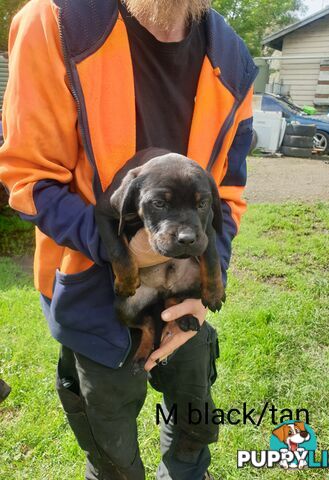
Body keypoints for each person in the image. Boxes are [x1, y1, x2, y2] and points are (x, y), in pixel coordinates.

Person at [0, 0, 257, 478]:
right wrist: (123, 251)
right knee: (112, 448)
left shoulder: (233, 56)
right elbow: (28, 180)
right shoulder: (59, 21)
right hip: (91, 295)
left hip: (186, 295)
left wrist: (203, 285)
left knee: (193, 425)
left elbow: (228, 192)